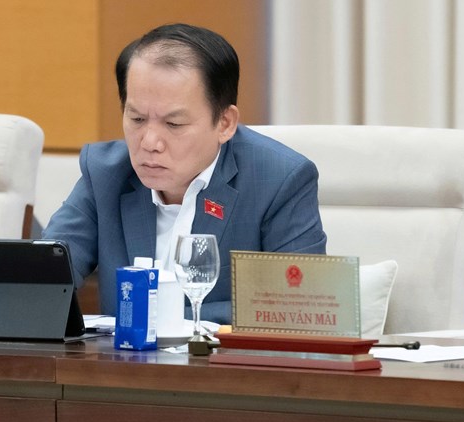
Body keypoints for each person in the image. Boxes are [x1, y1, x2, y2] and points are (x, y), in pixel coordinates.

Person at [43, 23, 326, 324]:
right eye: (137, 119)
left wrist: (160, 317)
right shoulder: (107, 173)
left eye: (173, 124)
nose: (149, 142)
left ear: (225, 123)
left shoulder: (280, 180)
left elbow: (299, 306)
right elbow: (42, 278)